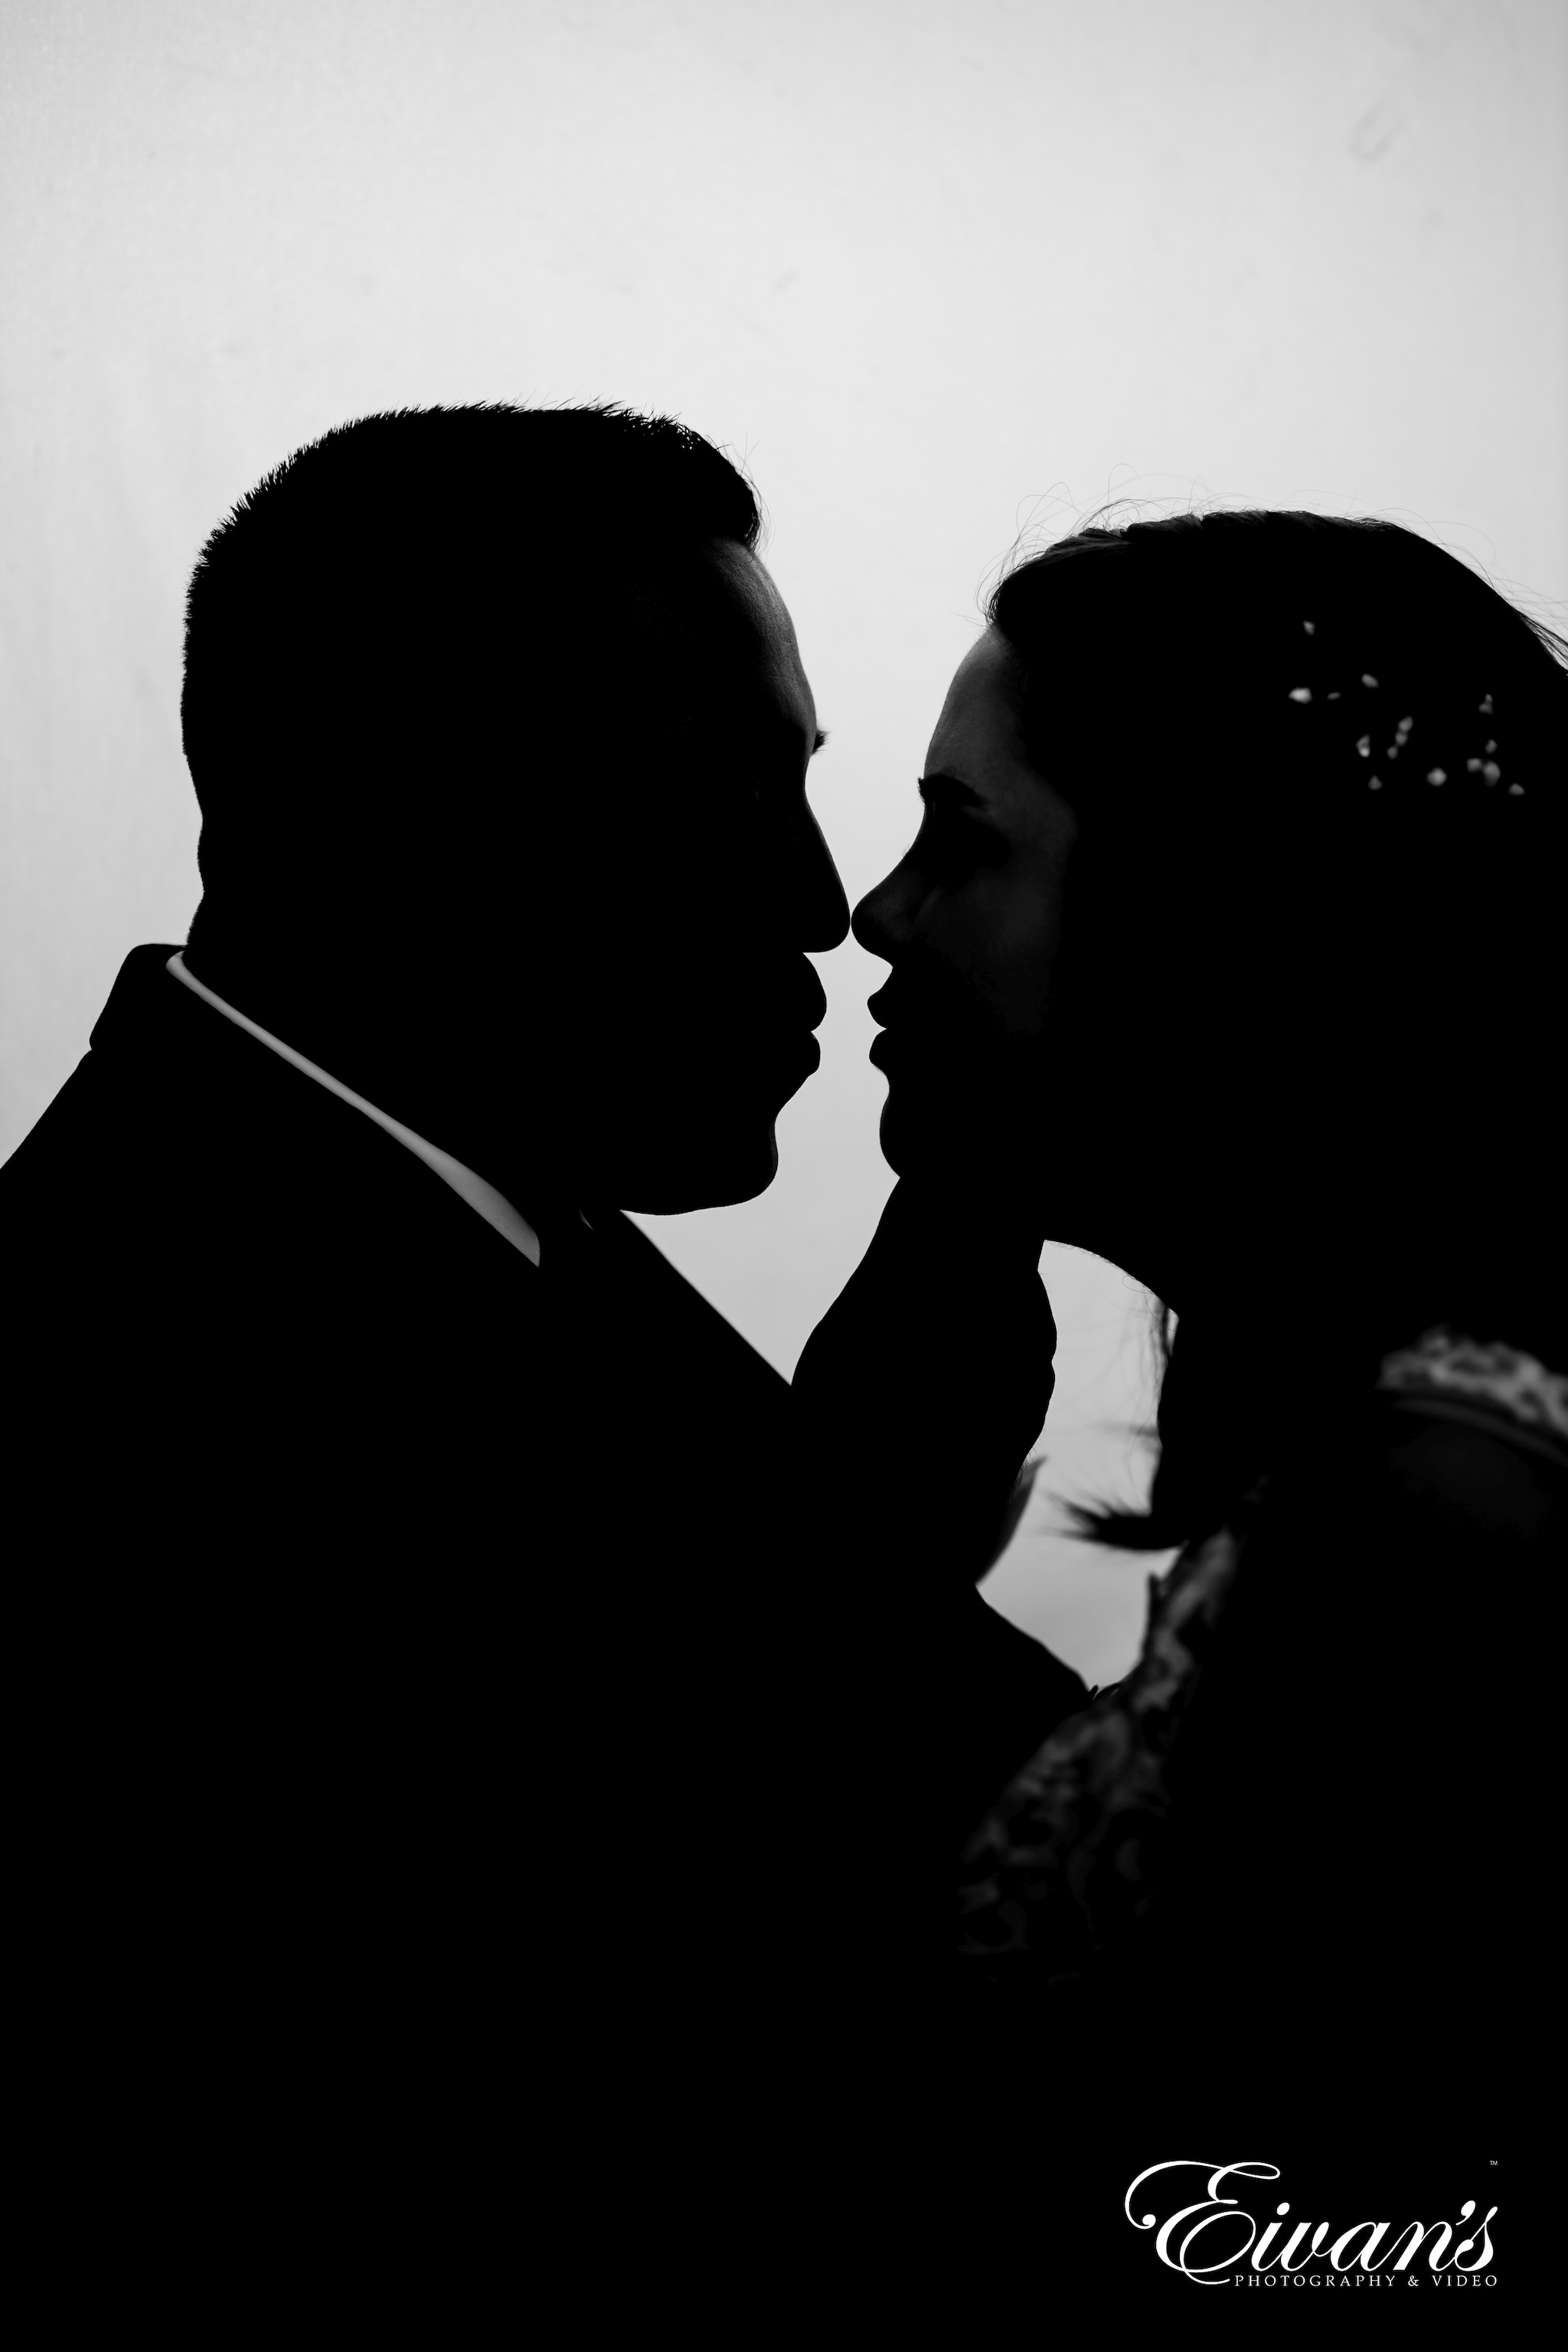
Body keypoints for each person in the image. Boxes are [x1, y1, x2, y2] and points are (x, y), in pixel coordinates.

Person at [4, 403, 855, 2232]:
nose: (825, 901)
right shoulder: (121, 1400)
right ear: (411, 805)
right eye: (732, 786)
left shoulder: (491, 1227)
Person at [833, 509, 1564, 2180]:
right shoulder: (1343, 1417)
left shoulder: (1445, 1505)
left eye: (961, 842)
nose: (875, 914)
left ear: (1198, 911)